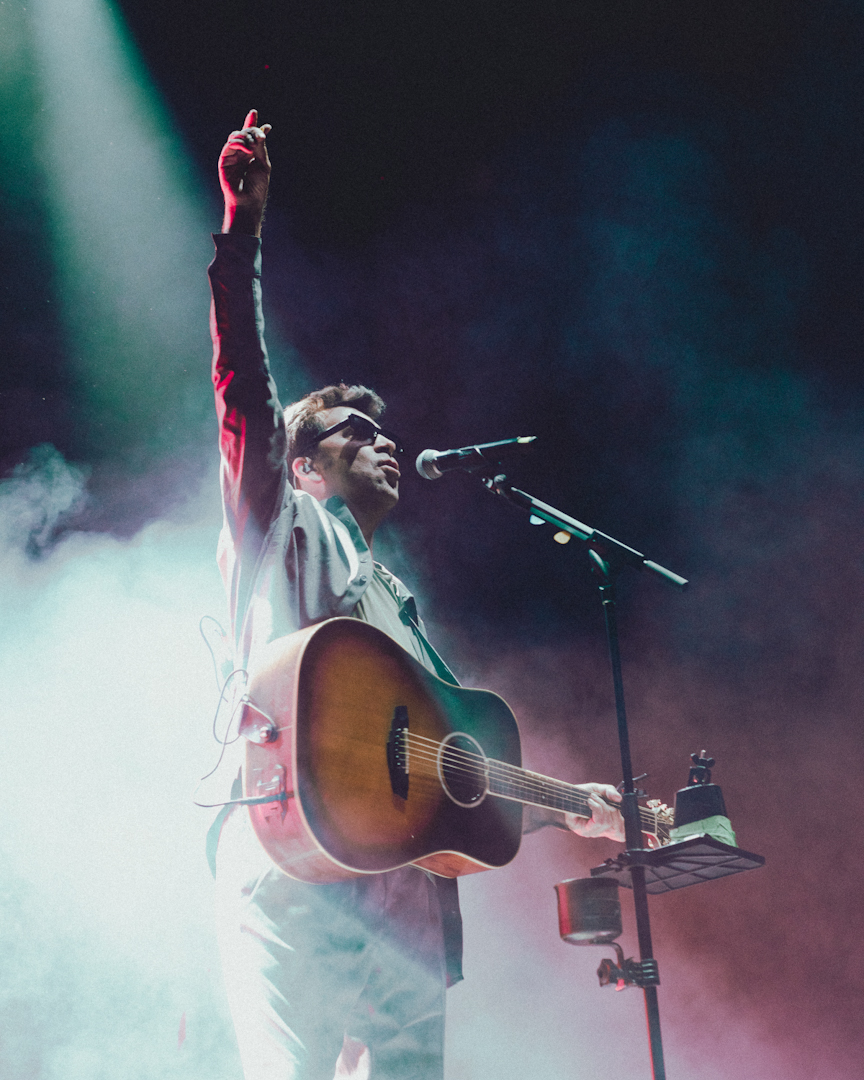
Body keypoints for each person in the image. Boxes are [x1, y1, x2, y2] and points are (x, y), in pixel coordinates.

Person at [208, 111, 626, 1080]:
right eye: (355, 430)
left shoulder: (394, 603)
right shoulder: (281, 522)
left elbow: (453, 760)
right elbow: (241, 384)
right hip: (291, 858)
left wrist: (572, 805)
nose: (383, 439)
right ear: (303, 465)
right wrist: (243, 234)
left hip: (392, 892)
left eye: (383, 429)